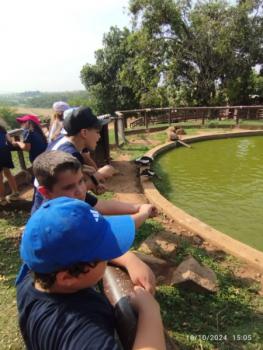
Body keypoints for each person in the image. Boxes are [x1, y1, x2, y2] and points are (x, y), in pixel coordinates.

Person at [16, 197, 166, 350]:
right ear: (67, 277)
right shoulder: (80, 332)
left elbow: (75, 252)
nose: (108, 256)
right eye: (104, 253)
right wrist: (150, 311)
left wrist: (129, 259)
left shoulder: (32, 277)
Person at [32, 150, 157, 221]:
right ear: (46, 193)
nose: (80, 191)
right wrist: (142, 214)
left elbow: (100, 204)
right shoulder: (65, 220)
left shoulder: (71, 201)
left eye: (81, 181)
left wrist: (138, 207)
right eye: (68, 187)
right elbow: (109, 231)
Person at [0, 124, 20, 205]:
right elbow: (9, 140)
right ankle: (15, 193)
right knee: (8, 173)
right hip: (5, 152)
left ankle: (2, 199)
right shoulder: (2, 129)